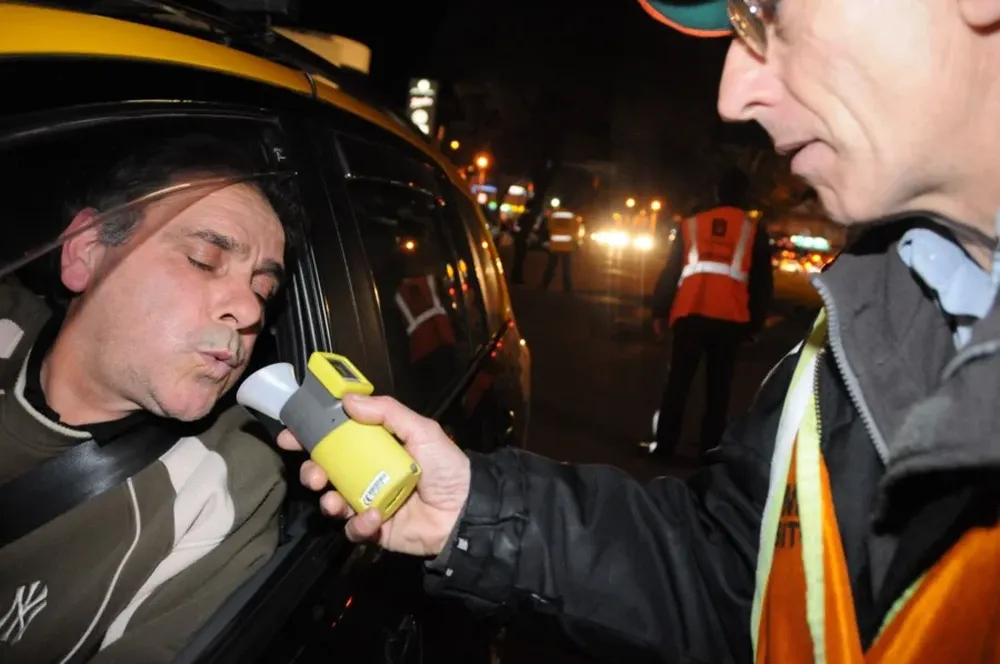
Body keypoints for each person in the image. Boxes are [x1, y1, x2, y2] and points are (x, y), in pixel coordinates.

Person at [281, 0, 1000, 661]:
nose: (732, 94)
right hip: (717, 325)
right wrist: (476, 510)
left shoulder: (854, 306)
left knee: (687, 393)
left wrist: (670, 306)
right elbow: (732, 570)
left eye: (767, 11)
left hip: (693, 321)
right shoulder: (871, 314)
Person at [0, 134, 294, 663]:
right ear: (86, 250)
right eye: (205, 259)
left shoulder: (224, 489)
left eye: (264, 291)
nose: (249, 311)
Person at [646, 168, 772, 459]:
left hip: (690, 312)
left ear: (718, 192)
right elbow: (762, 281)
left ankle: (665, 446)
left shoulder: (692, 225)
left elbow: (671, 270)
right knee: (719, 389)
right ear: (744, 195)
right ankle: (709, 450)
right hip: (730, 319)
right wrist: (755, 323)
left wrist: (659, 311)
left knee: (677, 383)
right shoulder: (753, 231)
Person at [540, 209, 579, 292]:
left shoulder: (554, 215)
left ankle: (544, 285)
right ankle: (567, 288)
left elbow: (548, 228)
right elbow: (576, 230)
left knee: (551, 266)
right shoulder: (572, 215)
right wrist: (575, 243)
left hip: (555, 245)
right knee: (566, 268)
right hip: (567, 246)